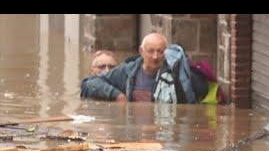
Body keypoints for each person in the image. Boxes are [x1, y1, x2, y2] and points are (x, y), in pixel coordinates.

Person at [80, 33, 208, 104]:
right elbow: (89, 83)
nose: (155, 56)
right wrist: (117, 95)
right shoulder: (128, 71)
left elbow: (201, 93)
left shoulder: (176, 74)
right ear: (141, 51)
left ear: (166, 53)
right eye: (150, 51)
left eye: (160, 52)